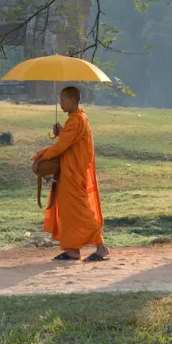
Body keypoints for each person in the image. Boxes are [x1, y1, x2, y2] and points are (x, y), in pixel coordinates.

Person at [33, 86, 109, 262]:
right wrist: (62, 133)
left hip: (74, 173)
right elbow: (69, 142)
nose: (61, 104)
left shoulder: (77, 121)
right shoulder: (76, 119)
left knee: (81, 210)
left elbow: (61, 147)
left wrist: (40, 157)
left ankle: (101, 247)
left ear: (73, 100)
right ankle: (72, 250)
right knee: (68, 212)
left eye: (63, 100)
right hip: (69, 172)